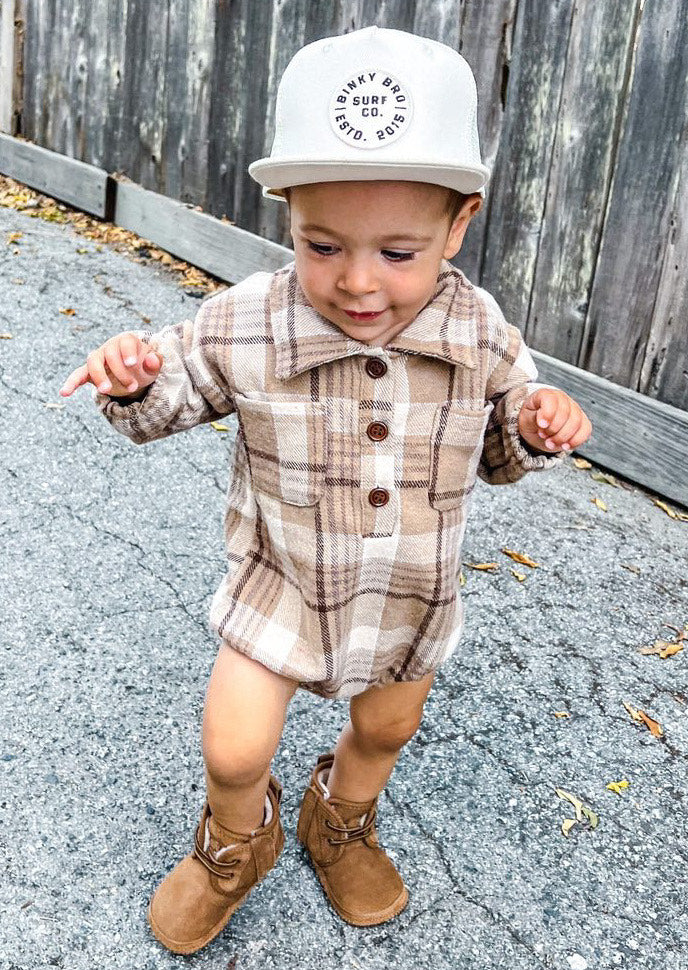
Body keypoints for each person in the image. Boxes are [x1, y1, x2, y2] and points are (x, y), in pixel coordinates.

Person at [59, 26, 592, 955]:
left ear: (458, 223)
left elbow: (503, 444)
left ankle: (336, 818)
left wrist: (534, 421)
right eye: (321, 243)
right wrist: (137, 378)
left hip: (409, 597)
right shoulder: (250, 322)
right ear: (286, 215)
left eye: (397, 252)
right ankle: (235, 841)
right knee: (231, 747)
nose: (356, 282)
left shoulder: (480, 332)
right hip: (283, 585)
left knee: (386, 731)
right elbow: (176, 391)